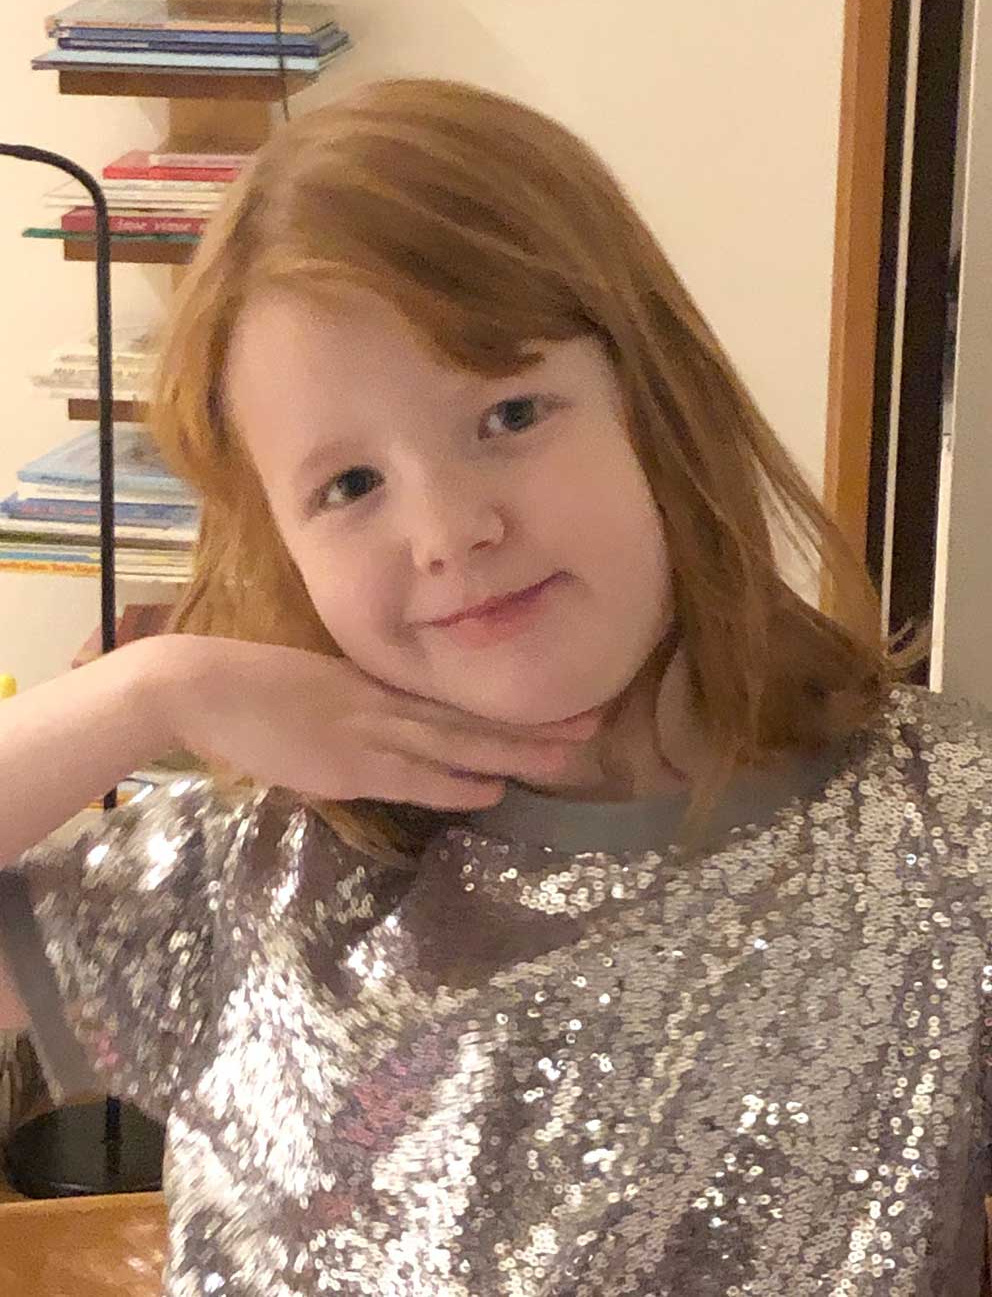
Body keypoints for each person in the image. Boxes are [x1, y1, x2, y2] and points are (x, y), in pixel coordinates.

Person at [0, 77, 989, 1297]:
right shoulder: (247, 882)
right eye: (349, 486)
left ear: (654, 405)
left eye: (509, 415)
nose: (448, 532)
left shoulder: (949, 834)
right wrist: (149, 690)